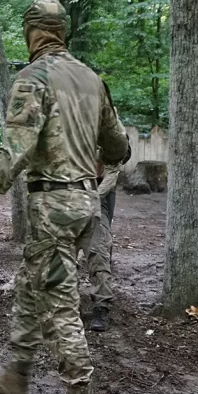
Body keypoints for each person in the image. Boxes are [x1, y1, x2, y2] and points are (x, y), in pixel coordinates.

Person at [0, 0, 128, 394]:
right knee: (31, 288)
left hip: (52, 204)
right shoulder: (92, 79)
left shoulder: (33, 77)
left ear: (30, 32)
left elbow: (16, 146)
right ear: (63, 31)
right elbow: (118, 148)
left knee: (60, 305)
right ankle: (15, 380)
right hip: (85, 203)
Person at [83, 142, 131, 333]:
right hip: (68, 195)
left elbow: (120, 156)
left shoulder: (109, 131)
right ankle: (67, 307)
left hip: (99, 195)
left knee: (99, 249)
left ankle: (101, 307)